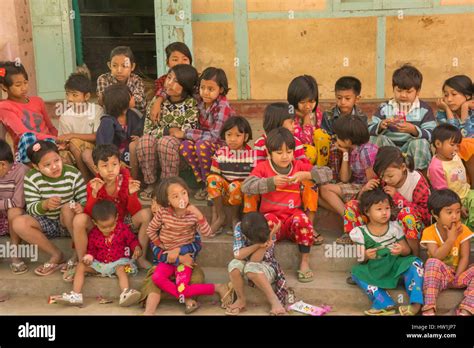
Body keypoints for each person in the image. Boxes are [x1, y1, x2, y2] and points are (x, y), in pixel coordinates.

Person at [242, 127, 333, 282]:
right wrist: (270, 182)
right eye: (279, 152)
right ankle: (263, 262)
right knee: (266, 223)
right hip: (272, 219)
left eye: (289, 152)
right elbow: (246, 186)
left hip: (292, 219)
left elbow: (328, 174)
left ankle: (304, 261)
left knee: (303, 220)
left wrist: (307, 174)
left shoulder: (298, 166)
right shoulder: (263, 167)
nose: (285, 156)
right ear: (269, 152)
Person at [148, 177, 235, 313]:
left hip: (185, 258)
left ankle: (218, 287)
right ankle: (205, 291)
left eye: (184, 193)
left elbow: (207, 233)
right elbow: (151, 230)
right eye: (175, 196)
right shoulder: (162, 213)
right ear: (167, 201)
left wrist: (200, 217)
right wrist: (161, 245)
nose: (181, 198)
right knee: (157, 278)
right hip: (168, 258)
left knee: (183, 288)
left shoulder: (193, 214)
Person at [71, 144, 152, 279]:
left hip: (122, 223)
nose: (110, 169)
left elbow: (135, 211)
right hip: (101, 225)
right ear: (96, 168)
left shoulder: (126, 180)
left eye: (114, 164)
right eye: (104, 166)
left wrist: (132, 195)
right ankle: (83, 261)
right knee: (79, 219)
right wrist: (95, 194)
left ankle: (141, 258)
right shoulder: (94, 184)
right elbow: (89, 213)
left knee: (147, 214)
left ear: (120, 165)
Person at [12, 141, 86, 276]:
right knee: (18, 222)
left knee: (66, 208)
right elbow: (32, 208)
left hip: (69, 222)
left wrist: (81, 206)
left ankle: (77, 254)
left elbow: (84, 199)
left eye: (56, 160)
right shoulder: (32, 177)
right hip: (47, 222)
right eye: (47, 165)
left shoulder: (73, 174)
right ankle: (56, 254)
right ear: (36, 166)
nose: (54, 167)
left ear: (61, 157)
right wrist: (44, 205)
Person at [343, 146, 431, 256]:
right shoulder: (382, 180)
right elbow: (368, 204)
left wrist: (398, 198)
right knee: (352, 206)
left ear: (403, 167)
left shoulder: (417, 182)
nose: (386, 179)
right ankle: (363, 254)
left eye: (390, 175)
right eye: (382, 176)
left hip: (409, 230)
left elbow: (428, 216)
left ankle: (414, 256)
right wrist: (364, 191)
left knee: (407, 214)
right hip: (383, 223)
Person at [349, 188, 424, 316]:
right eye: (379, 209)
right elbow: (360, 258)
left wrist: (401, 250)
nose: (384, 213)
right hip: (377, 267)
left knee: (415, 263)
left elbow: (406, 251)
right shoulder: (360, 232)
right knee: (356, 272)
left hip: (395, 265)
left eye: (387, 208)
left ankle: (416, 304)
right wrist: (366, 255)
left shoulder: (395, 227)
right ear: (367, 212)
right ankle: (383, 301)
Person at [55, 200, 143, 307]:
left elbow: (132, 240)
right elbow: (92, 250)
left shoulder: (123, 229)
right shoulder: (94, 234)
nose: (108, 229)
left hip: (121, 263)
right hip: (101, 265)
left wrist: (137, 248)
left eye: (111, 225)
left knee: (121, 269)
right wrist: (89, 257)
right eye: (103, 227)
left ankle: (126, 293)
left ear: (116, 218)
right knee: (81, 265)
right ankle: (76, 295)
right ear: (95, 223)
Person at [136, 64, 199, 195]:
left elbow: (187, 132)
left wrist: (168, 134)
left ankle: (168, 185)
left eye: (176, 81)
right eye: (169, 78)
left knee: (166, 142)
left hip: (178, 151)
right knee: (145, 141)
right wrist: (168, 131)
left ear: (186, 85)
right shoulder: (156, 102)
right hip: (159, 144)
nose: (169, 83)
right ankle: (151, 184)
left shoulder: (191, 104)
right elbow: (148, 130)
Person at [318, 115, 378, 244]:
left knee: (324, 189)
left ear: (347, 140)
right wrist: (345, 153)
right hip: (355, 186)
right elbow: (344, 178)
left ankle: (352, 222)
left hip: (364, 188)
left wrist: (363, 195)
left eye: (338, 136)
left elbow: (372, 181)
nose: (336, 139)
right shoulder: (353, 150)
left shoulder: (366, 151)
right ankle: (352, 217)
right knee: (316, 195)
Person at [179, 67, 235, 200]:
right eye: (202, 87)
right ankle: (204, 182)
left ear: (220, 90)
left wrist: (185, 132)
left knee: (201, 145)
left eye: (211, 89)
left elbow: (215, 137)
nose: (205, 92)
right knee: (185, 145)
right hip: (203, 142)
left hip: (224, 147)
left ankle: (210, 185)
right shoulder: (200, 101)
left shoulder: (223, 106)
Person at [369, 64, 436, 172]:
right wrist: (381, 125)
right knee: (376, 138)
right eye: (399, 91)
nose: (403, 95)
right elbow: (369, 129)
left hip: (410, 150)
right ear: (393, 89)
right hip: (389, 149)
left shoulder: (424, 109)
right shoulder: (384, 107)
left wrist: (413, 130)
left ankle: (418, 177)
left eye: (409, 92)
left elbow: (432, 134)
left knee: (421, 142)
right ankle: (378, 175)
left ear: (417, 91)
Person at [421, 189, 473, 316]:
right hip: (439, 276)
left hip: (459, 275)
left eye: (457, 211)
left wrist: (457, 277)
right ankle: (429, 309)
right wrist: (451, 239)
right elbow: (437, 256)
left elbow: (465, 257)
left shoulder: (463, 230)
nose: (454, 216)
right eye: (449, 212)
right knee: (432, 262)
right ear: (435, 214)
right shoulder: (429, 232)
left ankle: (466, 309)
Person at [226, 212, 288, 316]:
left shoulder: (270, 227)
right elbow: (238, 255)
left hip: (266, 265)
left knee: (251, 268)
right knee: (233, 265)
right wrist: (258, 245)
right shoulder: (240, 227)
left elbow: (255, 260)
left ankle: (275, 302)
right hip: (246, 262)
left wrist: (268, 239)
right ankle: (241, 300)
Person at [0, 61, 57, 164]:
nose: (24, 88)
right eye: (18, 85)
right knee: (28, 136)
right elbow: (22, 133)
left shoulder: (38, 101)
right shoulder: (4, 107)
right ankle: (32, 166)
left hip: (48, 143)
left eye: (25, 82)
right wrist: (55, 138)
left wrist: (57, 139)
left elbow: (50, 127)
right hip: (27, 148)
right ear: (4, 87)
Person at [207, 116, 255, 234]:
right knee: (212, 178)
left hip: (241, 195)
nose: (232, 139)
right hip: (223, 195)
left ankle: (235, 218)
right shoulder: (220, 153)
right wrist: (213, 211)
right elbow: (213, 180)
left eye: (237, 135)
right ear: (224, 136)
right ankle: (220, 216)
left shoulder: (252, 155)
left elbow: (253, 180)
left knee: (235, 186)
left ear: (246, 137)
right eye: (229, 135)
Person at [57, 72, 103, 181]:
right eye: (67, 94)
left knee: (74, 142)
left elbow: (96, 137)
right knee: (67, 149)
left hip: (94, 150)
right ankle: (82, 181)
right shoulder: (65, 117)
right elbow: (64, 140)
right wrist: (64, 144)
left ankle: (88, 180)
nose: (70, 98)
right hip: (75, 153)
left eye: (74, 95)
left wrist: (71, 136)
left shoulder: (97, 110)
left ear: (86, 96)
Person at [321, 76, 368, 180]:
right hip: (337, 146)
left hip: (353, 147)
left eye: (347, 98)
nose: (342, 102)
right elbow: (326, 136)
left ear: (357, 99)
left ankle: (357, 178)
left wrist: (350, 145)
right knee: (333, 149)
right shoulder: (328, 115)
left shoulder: (361, 117)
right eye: (339, 98)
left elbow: (362, 139)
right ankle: (333, 179)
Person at [428, 124, 474, 229]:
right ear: (438, 144)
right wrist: (459, 206)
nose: (456, 148)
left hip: (467, 193)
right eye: (452, 145)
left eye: (457, 145)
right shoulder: (436, 168)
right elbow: (443, 195)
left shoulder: (454, 155)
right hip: (453, 203)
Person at [94, 84, 143, 173]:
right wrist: (118, 162)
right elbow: (103, 147)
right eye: (131, 96)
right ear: (121, 102)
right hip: (113, 162)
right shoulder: (107, 122)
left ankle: (134, 179)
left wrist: (139, 139)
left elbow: (141, 132)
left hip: (131, 157)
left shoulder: (135, 115)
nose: (133, 98)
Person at [436, 75, 474, 186]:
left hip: (469, 155)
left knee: (468, 145)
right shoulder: (442, 113)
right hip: (452, 152)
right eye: (446, 95)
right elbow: (452, 136)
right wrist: (448, 110)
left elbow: (468, 135)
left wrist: (465, 110)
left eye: (454, 94)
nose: (449, 99)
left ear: (467, 96)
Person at [0, 140, 29, 274]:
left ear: (3, 165)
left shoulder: (21, 171)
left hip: (18, 216)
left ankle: (14, 254)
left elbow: (18, 203)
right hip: (2, 216)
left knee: (14, 211)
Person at [287, 75, 328, 166]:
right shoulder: (289, 116)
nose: (308, 106)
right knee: (309, 152)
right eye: (302, 102)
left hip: (317, 155)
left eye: (312, 101)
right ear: (293, 100)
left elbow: (319, 136)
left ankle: (321, 168)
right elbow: (306, 142)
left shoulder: (316, 113)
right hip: (298, 154)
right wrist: (306, 120)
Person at [148, 42, 193, 122]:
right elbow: (164, 90)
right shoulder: (162, 81)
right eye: (175, 59)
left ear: (190, 61)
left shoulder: (196, 79)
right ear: (167, 63)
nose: (180, 63)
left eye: (185, 59)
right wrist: (158, 101)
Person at [96, 46, 146, 115]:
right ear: (109, 65)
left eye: (124, 66)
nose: (119, 70)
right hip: (110, 117)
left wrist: (114, 99)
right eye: (114, 65)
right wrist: (128, 100)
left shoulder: (137, 80)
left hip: (131, 118)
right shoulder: (103, 79)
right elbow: (103, 101)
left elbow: (140, 104)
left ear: (132, 66)